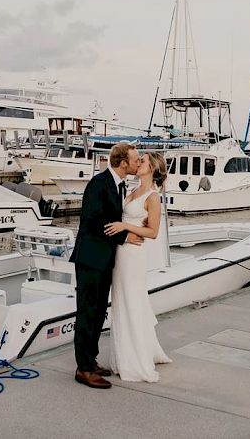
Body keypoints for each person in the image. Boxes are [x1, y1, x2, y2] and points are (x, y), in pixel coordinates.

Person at [70, 144, 142, 389]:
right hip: (90, 258)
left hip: (104, 259)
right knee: (87, 312)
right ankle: (84, 368)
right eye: (135, 159)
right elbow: (95, 220)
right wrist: (125, 237)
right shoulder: (99, 183)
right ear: (123, 162)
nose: (138, 162)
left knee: (99, 311)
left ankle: (91, 359)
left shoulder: (120, 185)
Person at [104, 152, 172, 382]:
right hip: (121, 253)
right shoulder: (132, 191)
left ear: (151, 167)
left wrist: (124, 226)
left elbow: (152, 232)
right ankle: (123, 355)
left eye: (142, 160)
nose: (138, 163)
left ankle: (135, 360)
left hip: (134, 255)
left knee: (132, 301)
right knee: (122, 302)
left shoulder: (153, 197)